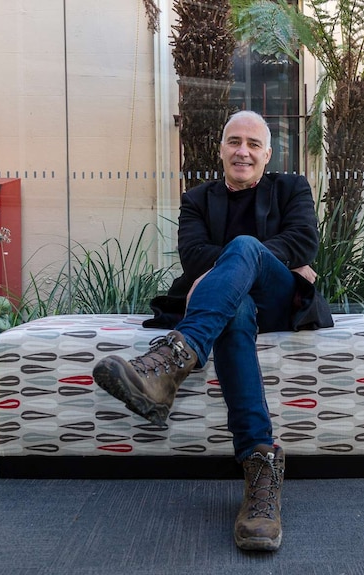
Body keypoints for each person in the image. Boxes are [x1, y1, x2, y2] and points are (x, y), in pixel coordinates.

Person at [92, 110, 332, 551]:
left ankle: (172, 360)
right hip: (227, 306)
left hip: (279, 301)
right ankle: (260, 469)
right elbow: (192, 256)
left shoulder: (291, 187)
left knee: (246, 249)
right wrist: (237, 271)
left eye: (253, 144)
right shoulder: (197, 198)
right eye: (234, 142)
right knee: (235, 308)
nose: (243, 151)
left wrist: (249, 258)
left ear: (267, 154)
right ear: (220, 149)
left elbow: (303, 242)